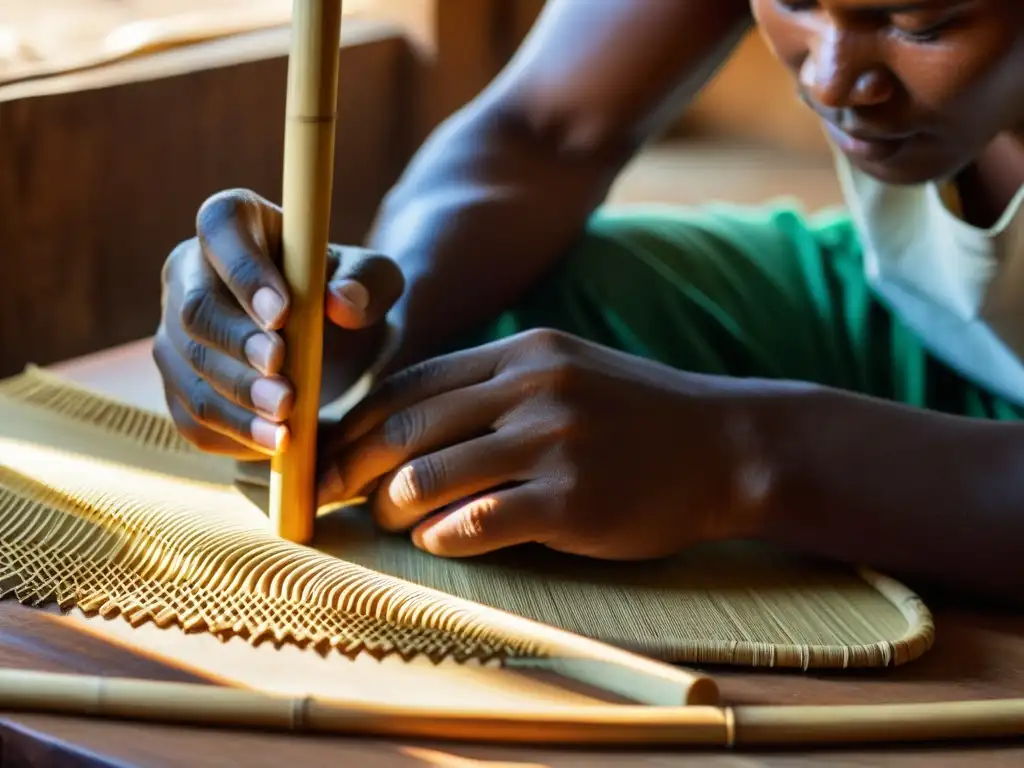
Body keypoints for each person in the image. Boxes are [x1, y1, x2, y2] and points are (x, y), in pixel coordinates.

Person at [153, 0, 1024, 603]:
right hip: (915, 312)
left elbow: (733, 448)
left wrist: (740, 455)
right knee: (520, 334)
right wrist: (355, 323)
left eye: (920, 21)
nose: (832, 80)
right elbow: (540, 131)